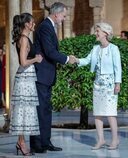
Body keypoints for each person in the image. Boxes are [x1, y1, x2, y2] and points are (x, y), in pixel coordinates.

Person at [30, 2, 75, 153]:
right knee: (40, 110)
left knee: (46, 109)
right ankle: (37, 144)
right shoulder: (45, 27)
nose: (63, 19)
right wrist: (67, 59)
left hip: (47, 75)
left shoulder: (49, 27)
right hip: (41, 75)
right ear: (56, 14)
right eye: (63, 16)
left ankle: (45, 141)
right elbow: (49, 51)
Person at [75, 22, 122, 150]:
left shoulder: (114, 48)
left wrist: (118, 83)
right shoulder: (95, 49)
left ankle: (115, 139)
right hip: (98, 84)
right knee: (98, 113)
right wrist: (76, 60)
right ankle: (101, 140)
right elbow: (87, 60)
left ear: (105, 33)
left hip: (110, 84)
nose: (96, 33)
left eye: (98, 31)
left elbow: (118, 67)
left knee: (111, 113)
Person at [9, 13, 43, 156]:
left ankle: (20, 141)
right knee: (23, 111)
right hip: (24, 79)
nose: (34, 24)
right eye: (33, 22)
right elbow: (23, 62)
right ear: (27, 24)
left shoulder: (25, 38)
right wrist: (36, 58)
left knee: (24, 112)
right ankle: (22, 143)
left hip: (27, 78)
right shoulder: (23, 39)